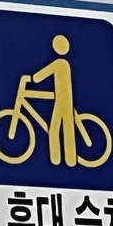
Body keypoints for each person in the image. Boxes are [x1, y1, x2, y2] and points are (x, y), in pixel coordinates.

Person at [32, 34, 77, 167]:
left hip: (61, 101)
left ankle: (55, 159)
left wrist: (33, 78)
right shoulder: (66, 64)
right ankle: (71, 160)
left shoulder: (59, 63)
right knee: (68, 128)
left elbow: (41, 75)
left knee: (54, 129)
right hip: (67, 100)